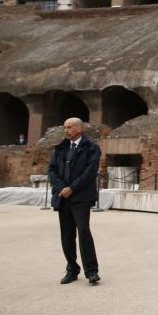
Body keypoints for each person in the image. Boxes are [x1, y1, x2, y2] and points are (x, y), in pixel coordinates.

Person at [47, 117, 101, 285]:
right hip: (63, 197)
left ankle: (91, 271)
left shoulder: (92, 148)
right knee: (67, 234)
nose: (66, 130)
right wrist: (62, 188)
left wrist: (72, 188)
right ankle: (72, 269)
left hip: (81, 197)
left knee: (83, 231)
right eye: (65, 127)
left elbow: (89, 172)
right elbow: (52, 170)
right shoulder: (61, 148)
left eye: (69, 127)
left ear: (79, 129)